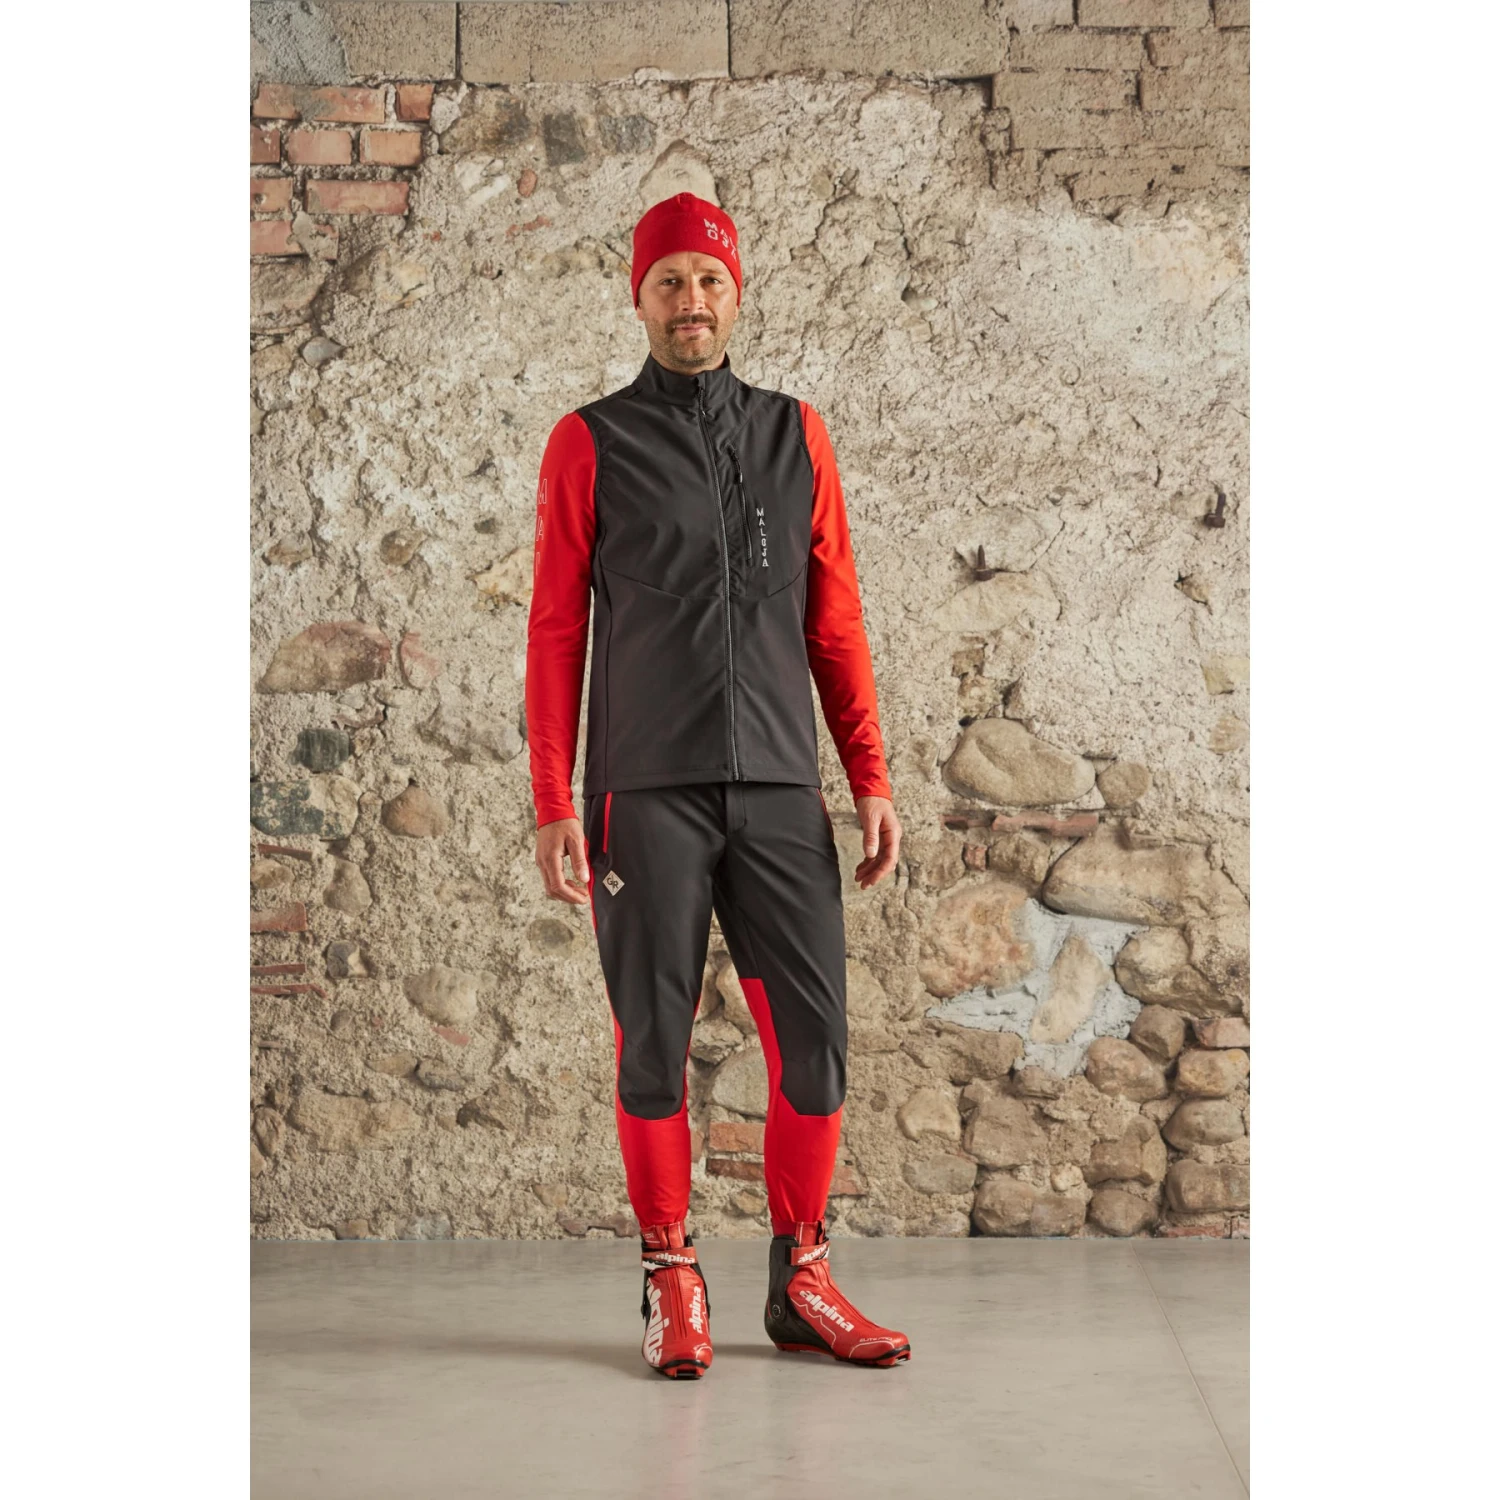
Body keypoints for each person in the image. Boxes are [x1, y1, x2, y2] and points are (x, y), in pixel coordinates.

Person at [525, 191, 911, 1379]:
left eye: (708, 281)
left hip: (781, 785)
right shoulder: (589, 441)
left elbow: (835, 618)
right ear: (637, 297)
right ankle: (671, 1277)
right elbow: (555, 630)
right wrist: (553, 800)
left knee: (817, 1046)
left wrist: (869, 774)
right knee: (653, 1040)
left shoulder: (798, 435)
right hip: (644, 789)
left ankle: (802, 1280)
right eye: (668, 282)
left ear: (736, 294)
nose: (689, 301)